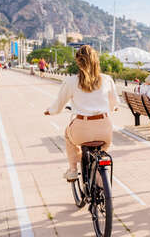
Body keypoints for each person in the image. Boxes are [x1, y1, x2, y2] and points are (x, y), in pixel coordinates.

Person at [44, 45, 119, 181]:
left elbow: (58, 105)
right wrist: (113, 109)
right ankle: (98, 173)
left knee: (68, 135)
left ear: (78, 62)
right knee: (102, 150)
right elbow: (114, 104)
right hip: (104, 129)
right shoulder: (107, 79)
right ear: (97, 61)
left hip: (81, 129)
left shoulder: (71, 81)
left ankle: (73, 169)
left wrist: (50, 111)